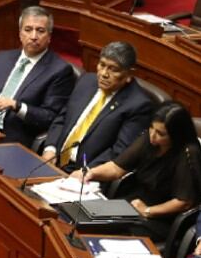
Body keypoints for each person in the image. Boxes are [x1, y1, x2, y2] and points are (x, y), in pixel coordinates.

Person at [71, 102, 201, 242]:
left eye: (160, 133)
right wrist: (90, 173)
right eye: (151, 128)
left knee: (105, 239)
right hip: (135, 202)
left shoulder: (188, 152)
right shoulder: (150, 140)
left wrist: (148, 211)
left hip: (163, 219)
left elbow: (183, 202)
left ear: (176, 135)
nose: (152, 135)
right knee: (82, 220)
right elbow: (116, 168)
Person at [0, 6, 75, 148]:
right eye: (28, 30)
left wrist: (17, 106)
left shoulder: (59, 71)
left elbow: (50, 117)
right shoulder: (2, 58)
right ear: (20, 34)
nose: (33, 36)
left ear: (49, 37)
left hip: (13, 138)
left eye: (40, 31)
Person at [42, 41, 152, 172]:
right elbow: (63, 118)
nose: (104, 74)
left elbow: (119, 153)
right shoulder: (87, 81)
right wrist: (50, 148)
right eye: (102, 65)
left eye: (113, 69)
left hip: (86, 174)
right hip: (53, 160)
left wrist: (88, 172)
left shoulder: (138, 105)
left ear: (129, 75)